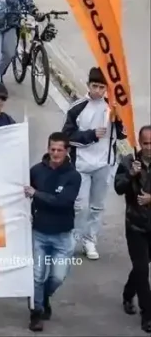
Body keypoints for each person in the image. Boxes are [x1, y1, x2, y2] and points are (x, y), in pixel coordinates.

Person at [62, 66, 126, 260]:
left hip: (104, 164)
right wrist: (90, 135)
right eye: (94, 86)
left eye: (102, 87)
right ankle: (73, 238)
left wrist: (119, 121)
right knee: (80, 206)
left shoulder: (112, 107)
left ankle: (90, 240)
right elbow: (65, 137)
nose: (98, 91)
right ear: (88, 85)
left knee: (97, 206)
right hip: (81, 165)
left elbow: (122, 135)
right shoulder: (78, 108)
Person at [26, 132, 81, 332]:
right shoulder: (36, 171)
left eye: (59, 150)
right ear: (48, 149)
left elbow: (63, 202)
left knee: (57, 278)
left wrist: (36, 194)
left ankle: (43, 297)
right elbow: (21, 194)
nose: (55, 153)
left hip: (62, 235)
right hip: (39, 233)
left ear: (67, 151)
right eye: (52, 149)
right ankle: (36, 312)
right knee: (37, 276)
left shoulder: (73, 176)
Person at [117, 125, 151, 330]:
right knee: (142, 268)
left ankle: (128, 292)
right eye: (145, 143)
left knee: (142, 266)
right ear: (139, 143)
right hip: (135, 225)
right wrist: (130, 174)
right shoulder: (129, 161)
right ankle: (147, 314)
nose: (149, 147)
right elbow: (118, 187)